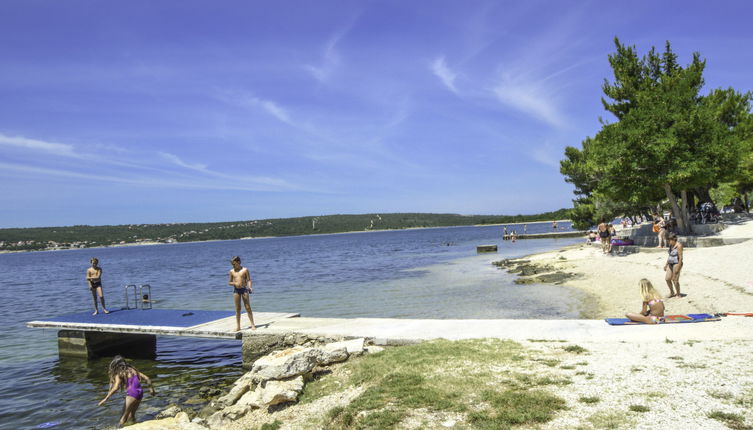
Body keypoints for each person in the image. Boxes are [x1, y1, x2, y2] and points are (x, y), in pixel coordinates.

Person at [98, 355, 155, 426]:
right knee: (131, 415)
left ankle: (119, 428)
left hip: (132, 394)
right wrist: (151, 390)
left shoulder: (119, 373)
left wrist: (105, 398)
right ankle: (134, 426)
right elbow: (147, 378)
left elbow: (116, 388)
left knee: (123, 417)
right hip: (140, 393)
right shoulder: (133, 370)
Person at [229, 256, 256, 331]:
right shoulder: (231, 271)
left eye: (234, 264)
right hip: (236, 291)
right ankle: (238, 326)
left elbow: (249, 280)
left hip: (244, 290)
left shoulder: (245, 270)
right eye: (232, 264)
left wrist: (250, 287)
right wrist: (235, 283)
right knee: (238, 308)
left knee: (247, 307)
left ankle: (252, 324)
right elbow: (229, 282)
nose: (233, 266)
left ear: (239, 262)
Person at [665, 233, 684, 298]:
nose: (668, 242)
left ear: (673, 239)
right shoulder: (671, 245)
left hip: (677, 263)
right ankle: (672, 292)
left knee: (675, 279)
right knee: (667, 279)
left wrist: (679, 266)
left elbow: (681, 257)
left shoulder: (679, 246)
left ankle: (678, 294)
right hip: (670, 263)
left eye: (669, 240)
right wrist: (666, 264)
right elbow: (669, 255)